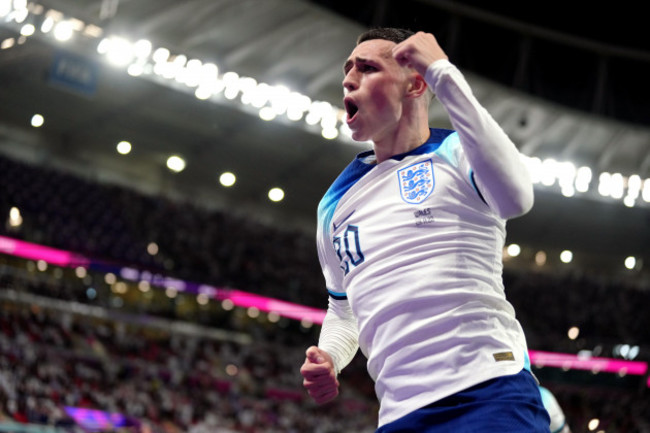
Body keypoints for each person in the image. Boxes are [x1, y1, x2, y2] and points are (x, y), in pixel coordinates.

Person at [299, 27, 550, 432]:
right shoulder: (334, 202)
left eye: (367, 68)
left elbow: (517, 197)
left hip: (488, 393)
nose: (348, 79)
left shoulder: (460, 154)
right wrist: (329, 355)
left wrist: (442, 72)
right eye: (348, 70)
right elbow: (343, 307)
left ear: (415, 83)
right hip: (400, 414)